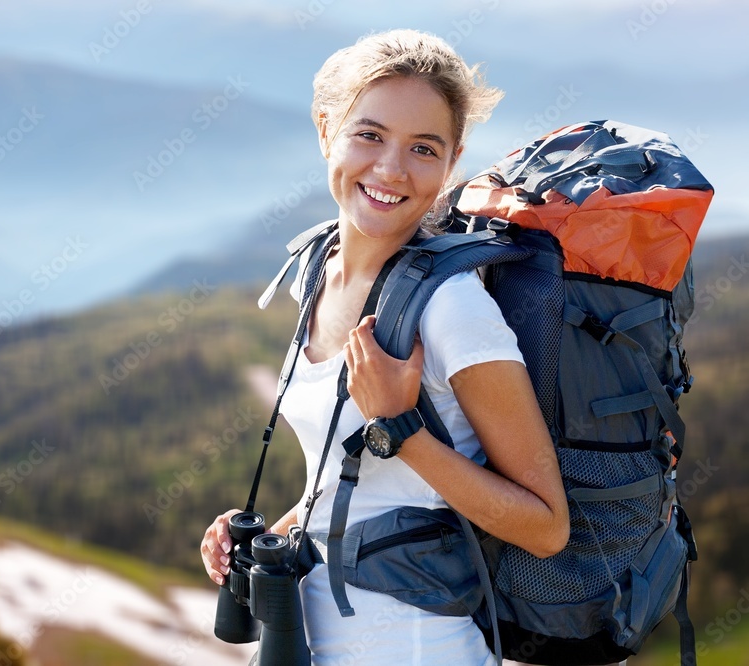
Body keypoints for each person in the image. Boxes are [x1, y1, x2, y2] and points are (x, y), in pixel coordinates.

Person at [201, 29, 571, 665]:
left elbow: (545, 527)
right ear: (326, 131)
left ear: (451, 163)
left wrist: (403, 428)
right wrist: (276, 531)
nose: (391, 169)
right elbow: (366, 485)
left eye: (423, 148)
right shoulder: (316, 270)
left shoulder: (452, 309)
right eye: (368, 134)